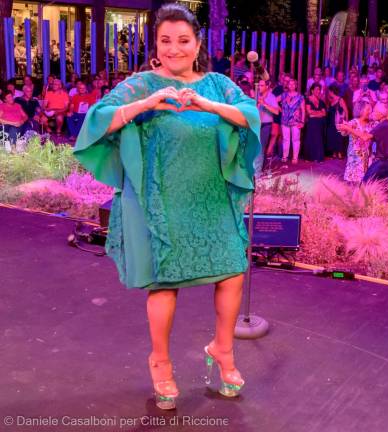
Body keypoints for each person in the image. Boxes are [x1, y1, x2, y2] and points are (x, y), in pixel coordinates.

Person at [73, 4, 260, 410]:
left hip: (211, 198)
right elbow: (97, 119)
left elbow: (250, 115)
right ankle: (160, 360)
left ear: (197, 45)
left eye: (183, 40)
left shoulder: (218, 84)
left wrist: (207, 106)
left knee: (231, 273)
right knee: (164, 284)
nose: (174, 49)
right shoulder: (141, 84)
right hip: (160, 199)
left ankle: (222, 350)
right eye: (165, 41)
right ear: (155, 45)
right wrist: (148, 103)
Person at [337, 100, 373, 184]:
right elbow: (343, 133)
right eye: (368, 109)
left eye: (370, 109)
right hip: (355, 158)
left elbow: (368, 137)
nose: (370, 111)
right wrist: (343, 128)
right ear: (361, 110)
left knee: (365, 182)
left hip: (367, 156)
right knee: (354, 183)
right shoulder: (353, 122)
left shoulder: (371, 123)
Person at [279, 78, 305, 164]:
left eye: (293, 84)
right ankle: (285, 156)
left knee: (296, 139)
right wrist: (280, 109)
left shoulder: (300, 96)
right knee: (285, 139)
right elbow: (274, 101)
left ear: (296, 85)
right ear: (287, 85)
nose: (291, 86)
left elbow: (303, 110)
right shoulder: (283, 95)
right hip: (285, 120)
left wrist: (302, 121)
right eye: (290, 84)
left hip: (296, 120)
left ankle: (295, 157)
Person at [256, 79, 280, 160]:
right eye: (259, 85)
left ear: (267, 86)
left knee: (261, 147)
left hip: (266, 124)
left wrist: (265, 104)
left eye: (262, 85)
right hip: (256, 124)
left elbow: (276, 112)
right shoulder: (257, 95)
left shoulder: (271, 97)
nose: (259, 87)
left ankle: (257, 171)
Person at [303, 83, 326, 162]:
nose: (318, 91)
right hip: (311, 123)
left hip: (319, 123)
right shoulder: (308, 99)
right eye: (316, 89)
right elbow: (309, 112)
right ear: (312, 91)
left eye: (319, 89)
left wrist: (315, 114)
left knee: (318, 139)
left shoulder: (321, 101)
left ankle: (317, 157)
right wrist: (319, 113)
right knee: (310, 138)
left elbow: (324, 113)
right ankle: (309, 157)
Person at [326, 85, 349, 159]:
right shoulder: (331, 100)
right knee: (332, 136)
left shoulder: (340, 100)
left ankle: (339, 152)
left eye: (329, 91)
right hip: (331, 122)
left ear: (332, 91)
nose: (328, 93)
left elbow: (346, 111)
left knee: (339, 136)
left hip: (338, 122)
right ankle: (334, 152)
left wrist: (346, 122)